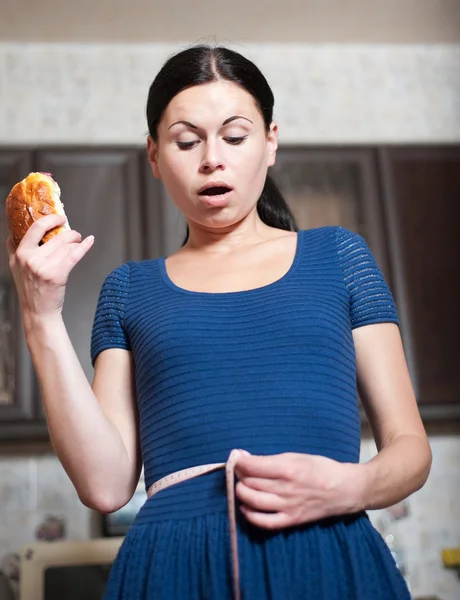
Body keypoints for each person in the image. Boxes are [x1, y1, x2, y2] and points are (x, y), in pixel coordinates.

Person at [7, 44, 432, 600]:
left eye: (235, 136)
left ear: (271, 142)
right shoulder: (129, 289)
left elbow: (409, 449)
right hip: (172, 571)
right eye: (186, 141)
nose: (212, 158)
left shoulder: (339, 259)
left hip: (329, 556)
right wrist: (40, 315)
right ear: (155, 157)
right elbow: (104, 484)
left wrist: (349, 486)